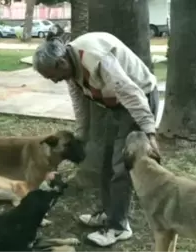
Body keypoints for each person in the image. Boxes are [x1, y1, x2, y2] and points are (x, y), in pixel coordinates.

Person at [32, 31, 160, 247]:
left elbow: (129, 91)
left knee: (121, 165)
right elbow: (80, 103)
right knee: (106, 160)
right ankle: (109, 214)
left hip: (139, 101)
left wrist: (149, 132)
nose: (54, 81)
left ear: (61, 62)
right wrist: (81, 135)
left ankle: (119, 227)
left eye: (52, 75)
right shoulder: (70, 69)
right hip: (117, 106)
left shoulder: (94, 58)